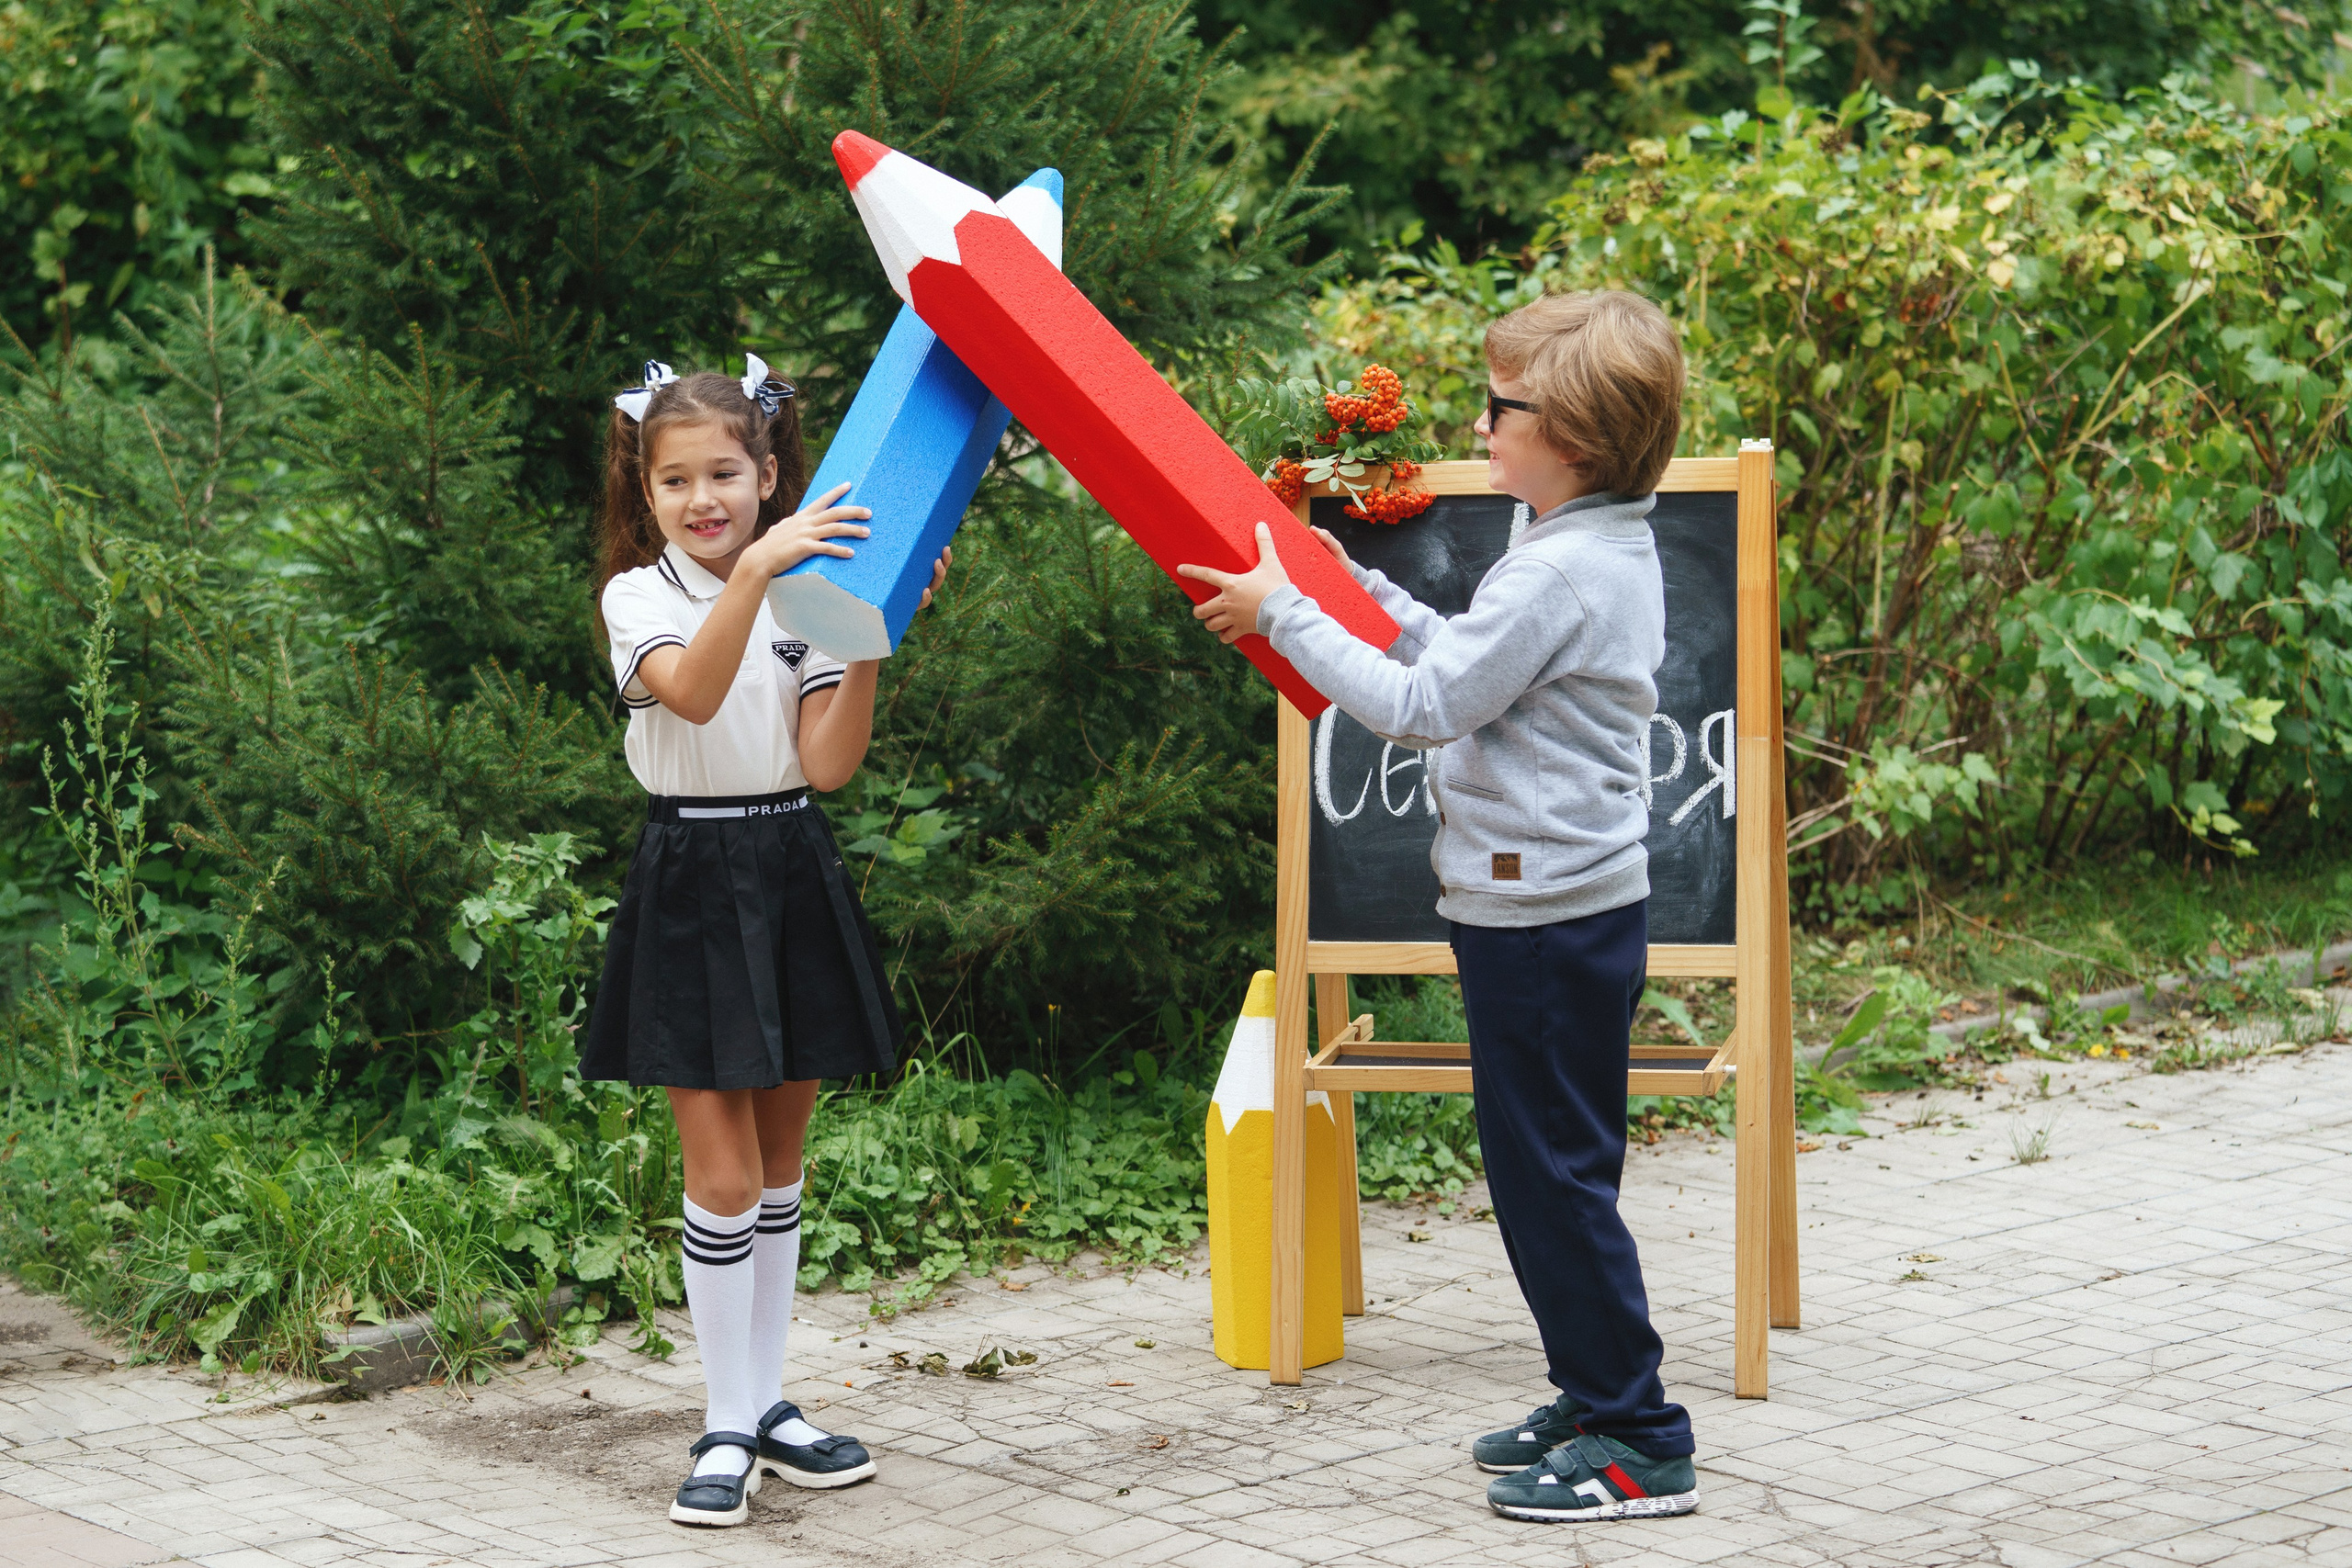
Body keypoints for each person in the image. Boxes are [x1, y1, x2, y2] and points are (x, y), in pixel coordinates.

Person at [1177, 291, 1699, 1522]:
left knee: (1550, 1185)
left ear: (1568, 434)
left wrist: (1287, 617)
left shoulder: (1565, 568)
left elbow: (1421, 704)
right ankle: (1591, 1387)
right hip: (1566, 912)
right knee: (1557, 1172)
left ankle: (1640, 1434)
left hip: (1542, 920)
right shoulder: (1583, 543)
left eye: (1501, 406)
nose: (1480, 421)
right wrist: (1336, 577)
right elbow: (1454, 651)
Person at [581, 355, 946, 1528]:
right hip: (690, 871)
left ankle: (768, 1405)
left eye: (726, 474)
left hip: (789, 865)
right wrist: (757, 573)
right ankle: (726, 1420)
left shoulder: (806, 595)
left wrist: (874, 630)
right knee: (722, 1177)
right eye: (676, 480)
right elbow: (689, 695)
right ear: (645, 495)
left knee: (782, 1170)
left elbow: (829, 764)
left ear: (769, 473)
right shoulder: (637, 598)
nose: (703, 497)